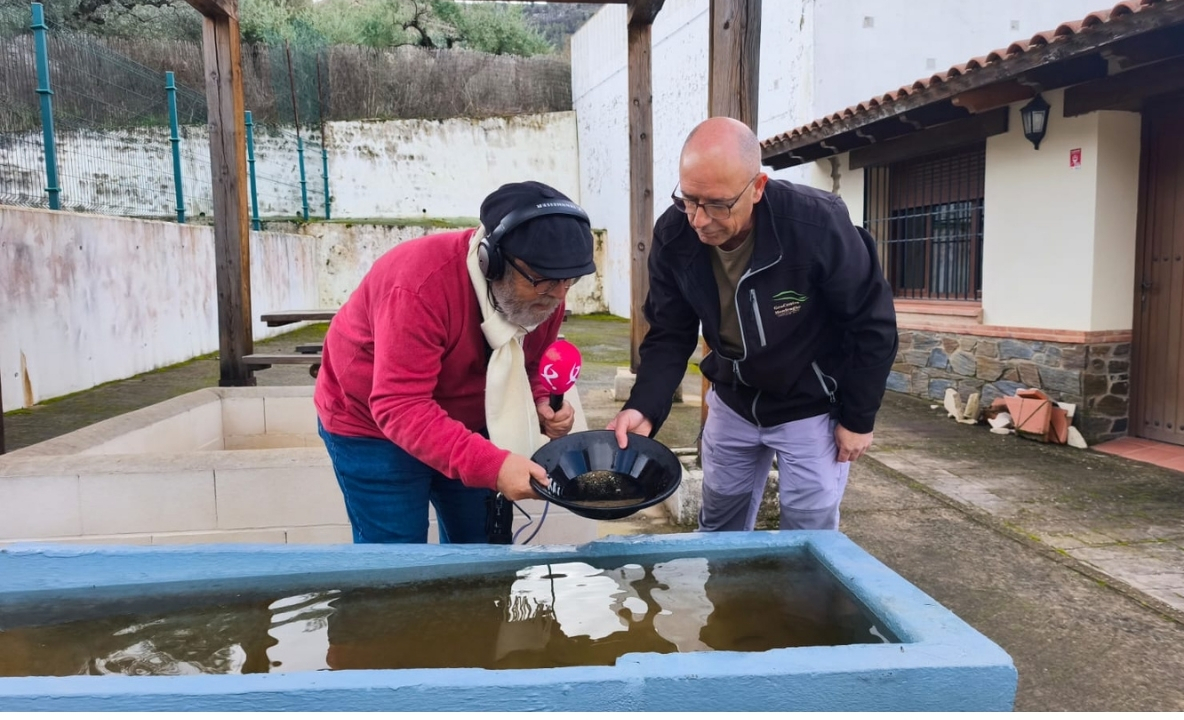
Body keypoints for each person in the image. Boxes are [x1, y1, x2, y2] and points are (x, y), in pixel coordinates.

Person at [608, 117, 898, 532]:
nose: (699, 220)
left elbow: (872, 324)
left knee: (808, 533)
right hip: (733, 402)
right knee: (719, 524)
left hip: (809, 406)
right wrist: (644, 406)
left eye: (718, 205)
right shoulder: (674, 234)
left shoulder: (817, 225)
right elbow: (670, 332)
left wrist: (858, 418)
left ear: (758, 187)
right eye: (689, 199)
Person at [314, 181, 596, 544]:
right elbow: (400, 406)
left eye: (569, 280)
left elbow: (527, 363)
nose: (558, 295)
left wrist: (541, 399)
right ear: (492, 261)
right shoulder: (419, 284)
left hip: (470, 420)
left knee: (481, 552)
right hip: (372, 427)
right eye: (542, 280)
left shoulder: (548, 293)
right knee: (397, 562)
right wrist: (494, 466)